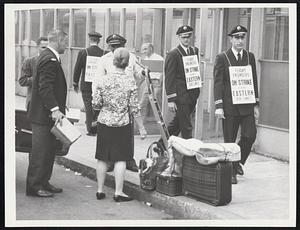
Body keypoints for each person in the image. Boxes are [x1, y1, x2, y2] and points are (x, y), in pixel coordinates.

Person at [92, 47, 147, 202]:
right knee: (120, 158)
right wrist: (142, 128)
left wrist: (102, 110)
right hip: (122, 124)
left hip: (104, 122)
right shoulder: (130, 82)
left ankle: (100, 190)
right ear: (128, 62)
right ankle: (118, 192)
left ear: (113, 61)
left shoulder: (103, 80)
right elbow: (135, 108)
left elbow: (95, 104)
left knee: (102, 157)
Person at [213, 25, 259, 184]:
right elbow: (218, 83)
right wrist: (218, 106)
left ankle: (238, 162)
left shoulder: (249, 56)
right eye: (237, 37)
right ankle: (230, 171)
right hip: (230, 107)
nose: (240, 41)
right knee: (230, 141)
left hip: (246, 105)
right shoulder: (222, 57)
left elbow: (253, 79)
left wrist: (256, 103)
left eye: (242, 37)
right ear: (231, 39)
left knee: (250, 136)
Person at [26, 29, 69, 197]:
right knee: (40, 151)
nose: (67, 45)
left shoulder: (48, 57)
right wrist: (55, 109)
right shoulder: (49, 59)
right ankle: (34, 186)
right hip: (43, 116)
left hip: (46, 116)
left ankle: (44, 182)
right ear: (58, 41)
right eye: (65, 42)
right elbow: (45, 87)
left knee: (49, 150)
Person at [156, 25, 200, 151]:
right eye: (183, 37)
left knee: (178, 123)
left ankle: (160, 145)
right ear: (179, 37)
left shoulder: (194, 51)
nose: (186, 39)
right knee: (186, 125)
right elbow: (169, 78)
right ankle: (189, 151)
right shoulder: (173, 54)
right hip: (180, 95)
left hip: (192, 93)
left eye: (188, 37)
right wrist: (171, 99)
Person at [73, 31, 105, 136]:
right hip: (100, 84)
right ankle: (99, 127)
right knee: (99, 106)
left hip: (86, 84)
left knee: (88, 106)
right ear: (99, 41)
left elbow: (77, 68)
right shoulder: (104, 53)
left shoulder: (83, 52)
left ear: (89, 39)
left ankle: (90, 129)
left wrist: (75, 83)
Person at [18, 36, 48, 112]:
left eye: (48, 48)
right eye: (43, 47)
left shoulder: (54, 62)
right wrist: (37, 78)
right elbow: (22, 81)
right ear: (37, 47)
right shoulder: (29, 61)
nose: (46, 51)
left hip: (48, 104)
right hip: (33, 103)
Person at [139, 42, 164, 122]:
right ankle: (141, 123)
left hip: (157, 83)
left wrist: (160, 82)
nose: (144, 51)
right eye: (142, 49)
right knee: (143, 102)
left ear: (151, 49)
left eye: (145, 49)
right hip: (148, 82)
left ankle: (162, 122)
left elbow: (163, 71)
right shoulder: (145, 59)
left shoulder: (159, 58)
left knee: (158, 102)